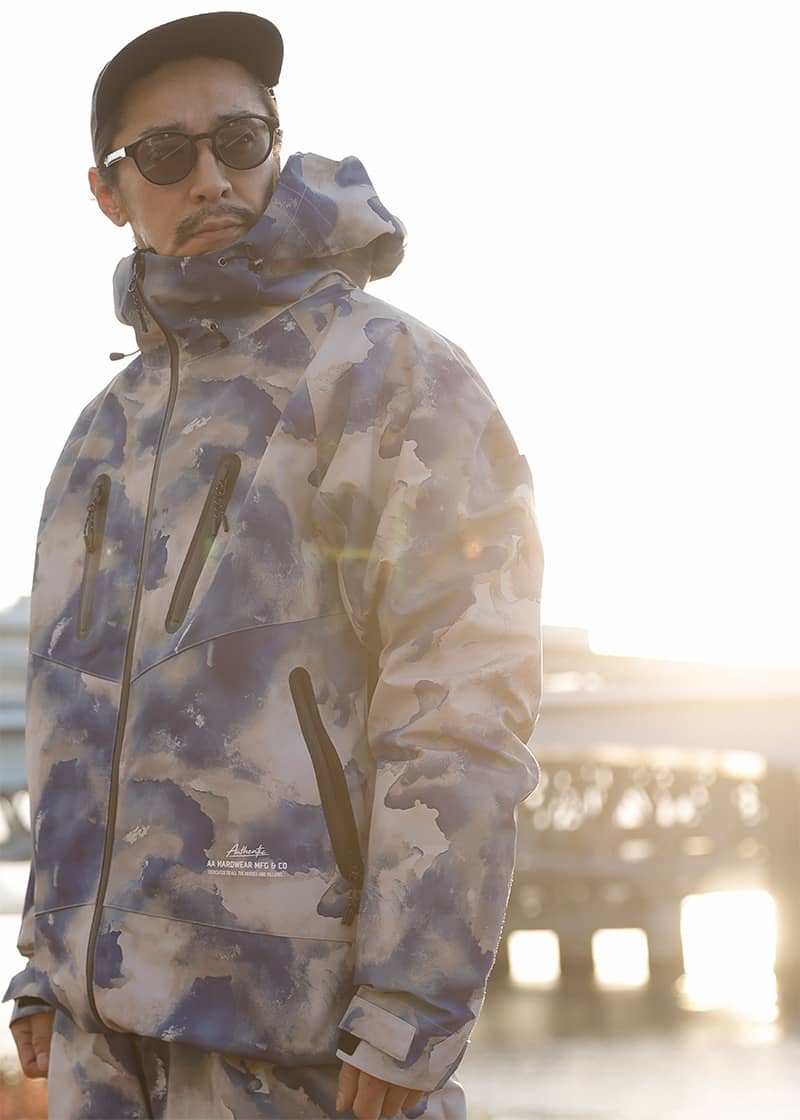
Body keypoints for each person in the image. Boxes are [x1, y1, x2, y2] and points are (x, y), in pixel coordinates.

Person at [3, 11, 545, 1119]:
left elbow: (462, 705)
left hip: (302, 1047)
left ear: (276, 145)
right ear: (108, 192)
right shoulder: (101, 432)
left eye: (239, 140)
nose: (210, 177)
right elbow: (70, 714)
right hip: (104, 1055)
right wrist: (45, 963)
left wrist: (410, 1006)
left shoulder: (388, 375)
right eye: (165, 154)